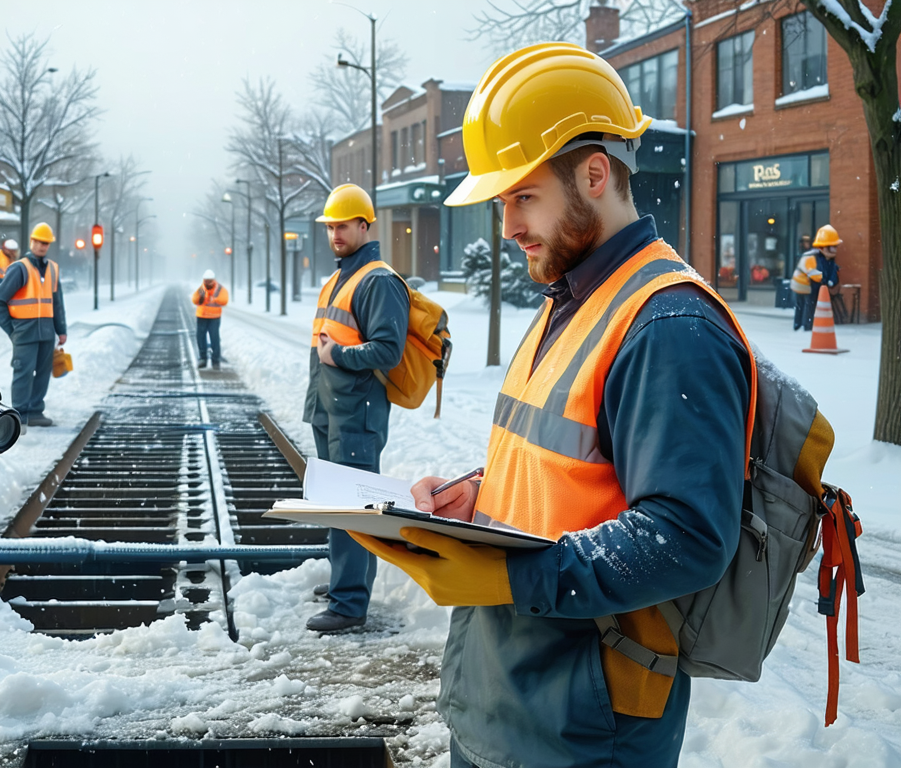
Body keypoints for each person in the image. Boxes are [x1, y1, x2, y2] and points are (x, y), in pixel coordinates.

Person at [353, 43, 754, 768]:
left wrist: (510, 573)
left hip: (583, 728)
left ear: (594, 174)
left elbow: (687, 537)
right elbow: (566, 467)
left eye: (521, 196)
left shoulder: (670, 328)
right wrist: (471, 500)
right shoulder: (571, 299)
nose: (507, 226)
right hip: (506, 696)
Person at [304, 183, 409, 633]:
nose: (335, 234)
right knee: (337, 501)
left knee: (353, 506)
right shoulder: (341, 275)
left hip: (357, 413)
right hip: (331, 409)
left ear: (365, 225)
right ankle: (347, 583)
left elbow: (388, 350)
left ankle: (350, 604)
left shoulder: (378, 280)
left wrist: (339, 358)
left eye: (343, 226)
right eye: (330, 227)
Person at [0, 222, 67, 427]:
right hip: (24, 332)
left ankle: (35, 412)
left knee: (43, 373)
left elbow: (57, 302)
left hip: (46, 332)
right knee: (23, 372)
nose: (42, 246)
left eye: (46, 243)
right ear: (32, 241)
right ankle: (20, 415)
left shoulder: (52, 269)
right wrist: (12, 330)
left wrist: (61, 330)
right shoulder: (19, 268)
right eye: (39, 242)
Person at [791, 225, 842, 330]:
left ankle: (802, 324)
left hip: (809, 284)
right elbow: (812, 272)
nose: (834, 250)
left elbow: (831, 271)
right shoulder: (811, 257)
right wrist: (824, 280)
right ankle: (804, 325)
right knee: (807, 304)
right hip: (803, 284)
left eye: (835, 247)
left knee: (805, 305)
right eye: (832, 247)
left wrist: (830, 280)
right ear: (823, 247)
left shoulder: (826, 259)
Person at [192, 269, 229, 369]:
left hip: (214, 317)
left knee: (214, 339)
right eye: (206, 280)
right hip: (202, 316)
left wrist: (213, 298)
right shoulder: (201, 289)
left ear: (213, 280)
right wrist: (203, 297)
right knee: (200, 338)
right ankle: (203, 358)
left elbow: (224, 300)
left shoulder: (219, 289)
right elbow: (194, 299)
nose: (207, 282)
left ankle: (215, 361)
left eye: (209, 280)